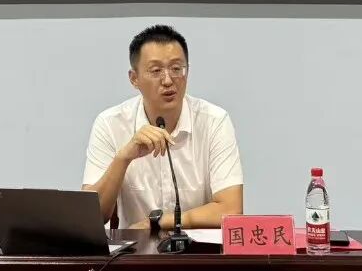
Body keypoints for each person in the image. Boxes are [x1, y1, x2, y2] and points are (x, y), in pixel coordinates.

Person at [82, 25, 244, 230]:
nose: (168, 80)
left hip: (196, 247)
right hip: (135, 248)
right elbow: (91, 216)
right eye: (156, 71)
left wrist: (158, 222)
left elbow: (230, 209)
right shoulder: (110, 123)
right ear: (134, 79)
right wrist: (123, 158)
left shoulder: (214, 121)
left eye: (176, 69)